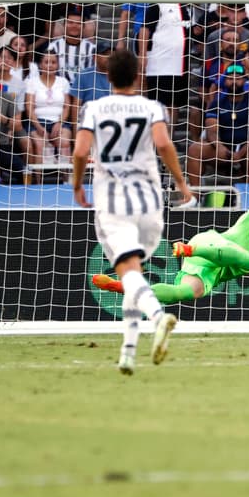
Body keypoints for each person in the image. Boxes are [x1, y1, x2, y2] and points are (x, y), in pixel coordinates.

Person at [73, 48, 194, 375]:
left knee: (128, 272)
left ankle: (158, 317)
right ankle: (127, 353)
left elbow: (82, 150)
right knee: (133, 273)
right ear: (138, 75)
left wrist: (76, 185)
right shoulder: (151, 106)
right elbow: (164, 144)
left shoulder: (94, 108)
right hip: (150, 201)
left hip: (114, 200)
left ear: (108, 76)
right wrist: (182, 184)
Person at [92, 180, 249, 305]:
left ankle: (122, 287)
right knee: (247, 261)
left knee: (185, 294)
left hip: (212, 269)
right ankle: (188, 248)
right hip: (208, 244)